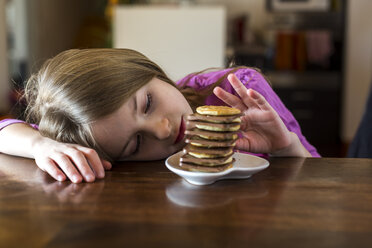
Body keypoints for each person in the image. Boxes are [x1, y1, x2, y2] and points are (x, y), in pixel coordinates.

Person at [0, 48, 319, 183]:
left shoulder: (240, 92)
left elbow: (323, 180)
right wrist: (41, 146)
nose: (164, 130)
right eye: (136, 144)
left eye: (148, 103)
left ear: (150, 71)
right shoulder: (88, 130)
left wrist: (286, 148)